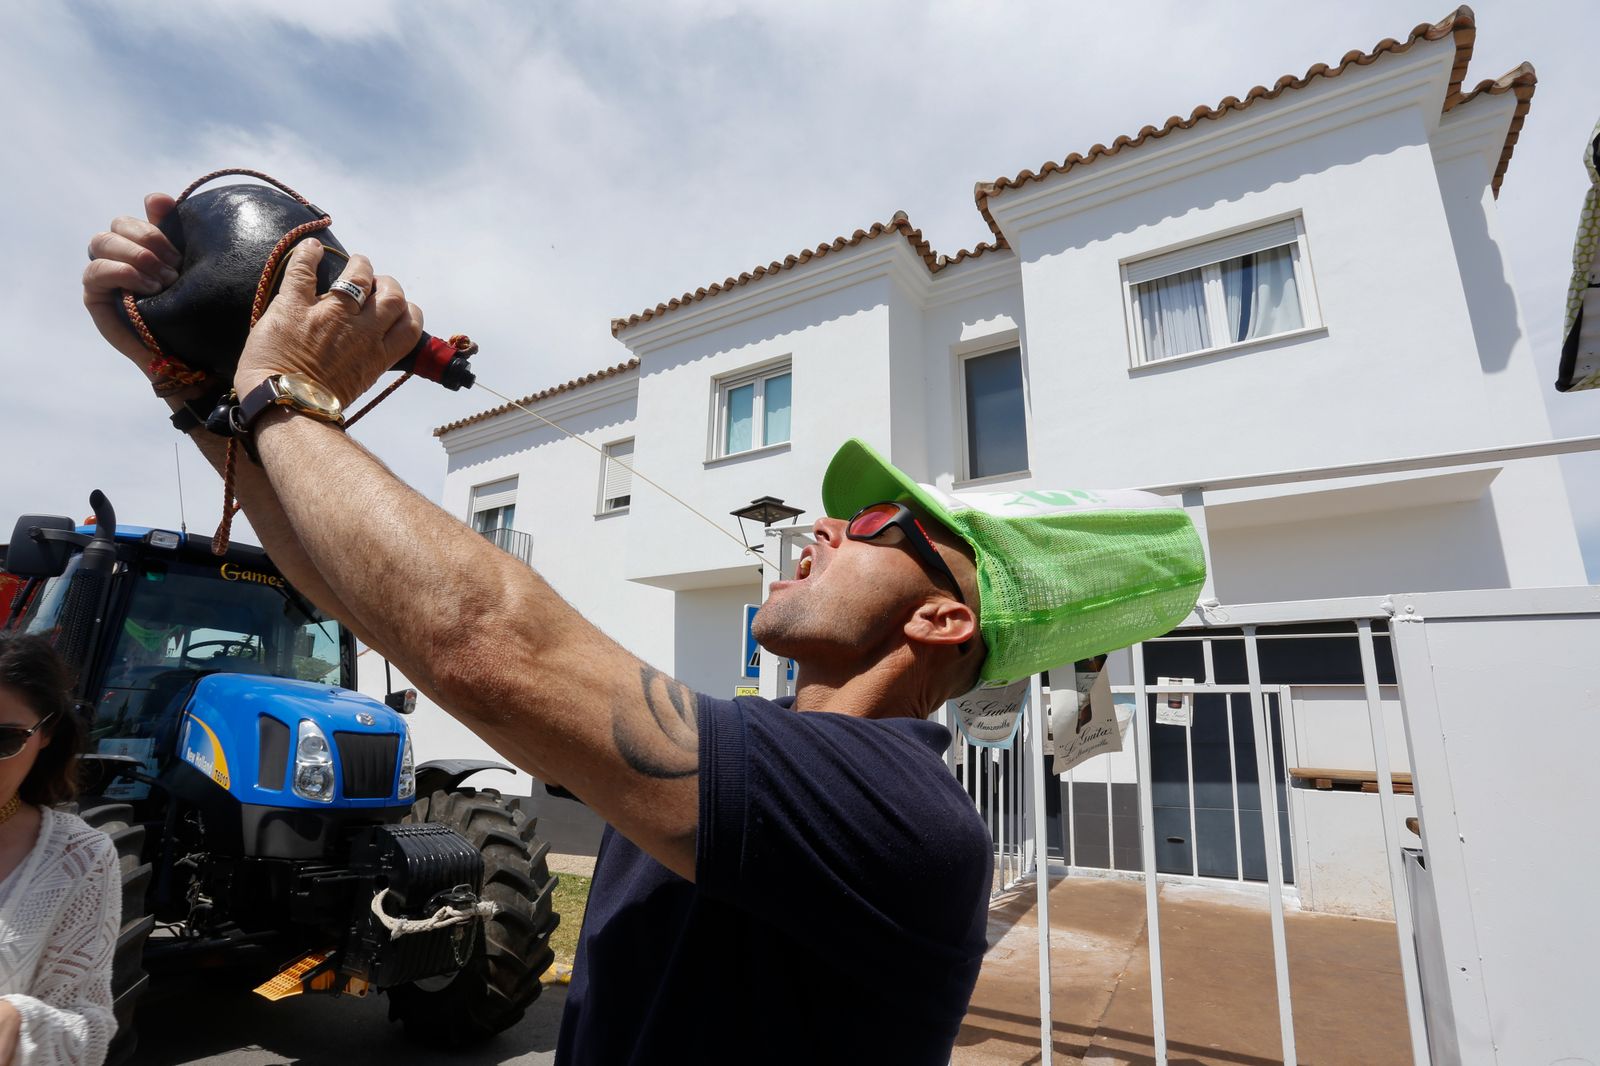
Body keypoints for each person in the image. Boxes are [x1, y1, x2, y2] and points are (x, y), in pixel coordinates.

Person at [83, 196, 1204, 1063]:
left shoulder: (903, 812)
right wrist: (193, 390)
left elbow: (483, 639)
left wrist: (282, 390)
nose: (821, 525)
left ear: (943, 616)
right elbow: (369, 594)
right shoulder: (751, 751)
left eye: (871, 525)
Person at [0, 634, 121, 1066]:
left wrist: (16, 1020)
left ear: (46, 733)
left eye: (3, 740)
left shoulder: (79, 858)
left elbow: (88, 1028)